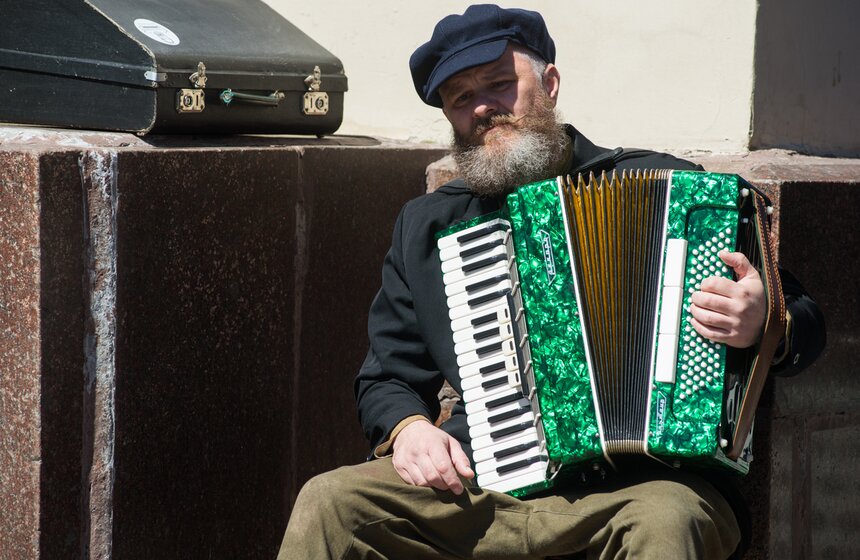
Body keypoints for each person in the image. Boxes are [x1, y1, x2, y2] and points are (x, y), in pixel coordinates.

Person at [278, 5, 825, 559]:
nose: (484, 108)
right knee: (330, 503)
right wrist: (409, 428)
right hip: (487, 481)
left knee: (666, 521)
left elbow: (803, 315)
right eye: (461, 98)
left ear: (550, 84)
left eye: (498, 84)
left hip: (645, 485)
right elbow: (387, 376)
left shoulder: (671, 191)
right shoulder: (428, 226)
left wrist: (762, 321)